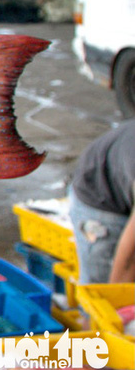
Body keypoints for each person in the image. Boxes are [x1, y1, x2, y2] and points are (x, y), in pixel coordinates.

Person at [69, 120, 135, 284]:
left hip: (124, 169)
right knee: (103, 286)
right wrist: (114, 306)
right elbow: (129, 259)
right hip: (101, 193)